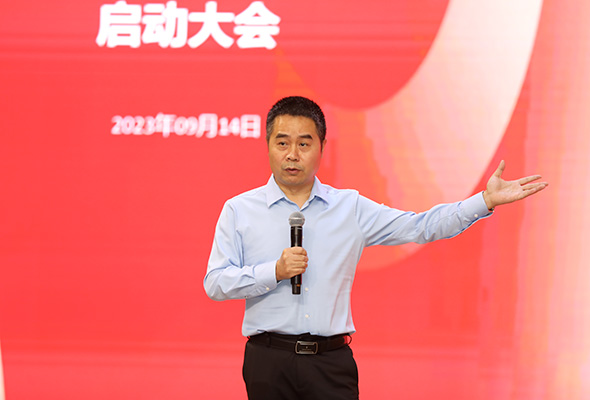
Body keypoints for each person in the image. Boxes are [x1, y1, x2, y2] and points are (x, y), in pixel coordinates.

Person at [204, 96, 548, 400]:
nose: (292, 154)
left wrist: (484, 200)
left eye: (304, 143)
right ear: (268, 145)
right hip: (268, 360)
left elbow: (419, 226)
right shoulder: (239, 210)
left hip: (330, 362)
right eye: (282, 143)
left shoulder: (349, 208)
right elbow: (216, 283)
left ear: (322, 146)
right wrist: (274, 271)